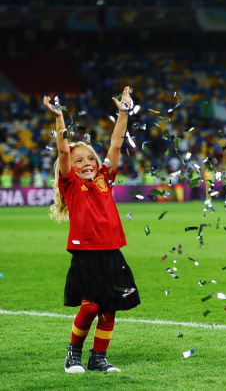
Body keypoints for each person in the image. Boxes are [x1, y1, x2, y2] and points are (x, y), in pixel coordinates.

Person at [43, 87, 140, 373]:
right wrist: (60, 118)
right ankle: (73, 354)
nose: (85, 163)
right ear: (70, 168)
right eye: (79, 160)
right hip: (85, 253)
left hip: (111, 251)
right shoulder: (70, 183)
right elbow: (63, 148)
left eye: (89, 159)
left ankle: (99, 358)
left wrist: (123, 112)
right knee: (90, 307)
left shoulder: (105, 178)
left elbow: (117, 142)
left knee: (109, 309)